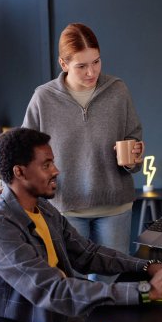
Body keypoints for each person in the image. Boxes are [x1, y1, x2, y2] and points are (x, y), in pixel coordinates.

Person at [0, 127, 162, 322]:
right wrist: (147, 290)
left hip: (68, 315)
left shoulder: (42, 208)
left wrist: (145, 267)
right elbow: (53, 291)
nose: (56, 171)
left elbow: (88, 254)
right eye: (46, 165)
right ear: (20, 172)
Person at [22, 23, 144, 282]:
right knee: (73, 289)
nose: (92, 72)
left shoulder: (118, 90)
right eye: (81, 66)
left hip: (115, 206)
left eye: (96, 62)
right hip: (64, 209)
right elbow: (22, 152)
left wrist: (134, 153)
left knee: (109, 286)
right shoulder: (43, 98)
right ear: (63, 64)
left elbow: (133, 136)